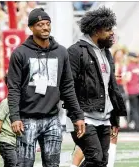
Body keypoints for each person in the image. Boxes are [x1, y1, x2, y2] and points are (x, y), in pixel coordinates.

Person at [7, 8, 85, 167]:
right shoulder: (20, 53)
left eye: (47, 24)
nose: (45, 27)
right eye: (40, 24)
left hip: (52, 119)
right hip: (27, 119)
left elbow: (68, 87)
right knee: (24, 164)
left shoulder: (61, 52)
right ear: (31, 27)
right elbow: (13, 88)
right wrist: (15, 117)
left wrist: (77, 115)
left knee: (52, 165)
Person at [66, 6, 127, 167]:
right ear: (96, 30)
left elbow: (110, 88)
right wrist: (76, 116)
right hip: (84, 117)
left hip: (104, 118)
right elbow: (67, 86)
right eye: (108, 30)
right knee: (95, 158)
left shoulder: (106, 52)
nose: (111, 33)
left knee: (102, 161)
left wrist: (115, 118)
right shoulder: (75, 51)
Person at [0, 75, 17, 167]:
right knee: (15, 164)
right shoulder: (6, 103)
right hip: (6, 141)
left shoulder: (24, 102)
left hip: (16, 142)